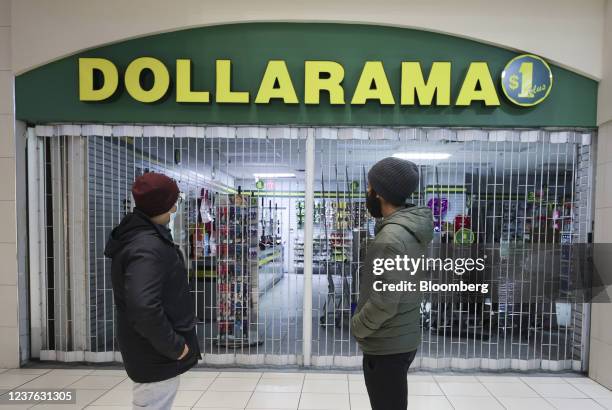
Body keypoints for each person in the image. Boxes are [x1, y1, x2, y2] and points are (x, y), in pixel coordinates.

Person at [105, 172, 201, 410]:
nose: (174, 210)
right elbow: (143, 305)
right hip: (155, 353)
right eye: (172, 204)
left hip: (150, 350)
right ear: (161, 205)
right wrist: (174, 346)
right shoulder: (147, 247)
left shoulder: (139, 237)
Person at [351, 157, 433, 410]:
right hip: (400, 335)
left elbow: (387, 299)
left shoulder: (391, 237)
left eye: (370, 187)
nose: (367, 192)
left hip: (387, 342)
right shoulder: (407, 230)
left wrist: (358, 326)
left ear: (380, 194)